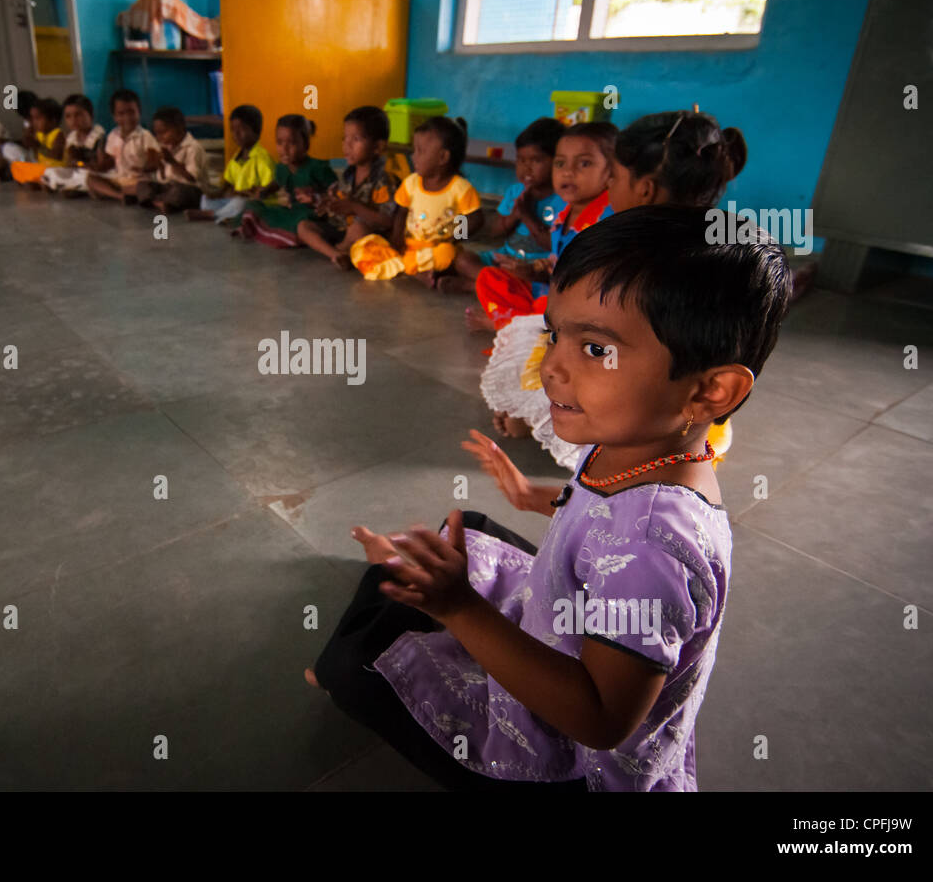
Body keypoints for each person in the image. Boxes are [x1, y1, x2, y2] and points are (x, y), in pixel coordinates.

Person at [310, 205, 793, 792]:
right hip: (566, 614)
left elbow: (600, 718)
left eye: (595, 350)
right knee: (446, 543)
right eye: (554, 334)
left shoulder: (652, 548)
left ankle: (341, 671)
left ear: (711, 389)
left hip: (566, 762)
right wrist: (532, 495)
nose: (550, 367)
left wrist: (461, 608)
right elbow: (597, 511)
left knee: (358, 661)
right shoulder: (644, 440)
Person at [483, 111, 747, 455]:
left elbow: (604, 352)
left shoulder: (631, 259)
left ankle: (541, 423)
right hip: (696, 417)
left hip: (639, 406)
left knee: (549, 347)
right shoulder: (720, 250)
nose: (608, 186)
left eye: (615, 178)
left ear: (645, 190)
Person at [470, 121, 617, 333]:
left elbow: (590, 284)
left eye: (584, 164)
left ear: (612, 172)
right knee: (490, 278)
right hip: (552, 290)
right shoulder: (565, 213)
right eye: (560, 164)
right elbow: (556, 262)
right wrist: (531, 270)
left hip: (580, 303)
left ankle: (510, 325)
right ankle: (520, 324)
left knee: (546, 307)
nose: (568, 172)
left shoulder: (605, 216)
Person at [349, 115, 484, 284]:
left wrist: (455, 237)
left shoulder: (460, 188)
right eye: (414, 150)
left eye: (420, 151)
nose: (413, 157)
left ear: (443, 157)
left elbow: (476, 218)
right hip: (411, 247)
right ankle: (425, 275)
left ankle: (430, 274)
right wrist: (397, 236)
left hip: (441, 249)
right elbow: (401, 211)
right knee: (378, 249)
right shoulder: (411, 183)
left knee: (456, 259)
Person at [444, 118, 565, 293]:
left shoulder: (562, 200)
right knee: (462, 259)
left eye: (535, 160)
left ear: (557, 162)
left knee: (548, 285)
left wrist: (527, 216)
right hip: (506, 258)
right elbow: (495, 232)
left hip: (537, 268)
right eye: (521, 160)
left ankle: (477, 286)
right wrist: (514, 215)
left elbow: (553, 246)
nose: (526, 168)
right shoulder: (515, 191)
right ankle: (500, 287)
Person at [295, 105, 399, 270]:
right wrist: (322, 201)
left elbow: (388, 220)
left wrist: (356, 208)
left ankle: (342, 250)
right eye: (345, 138)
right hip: (341, 229)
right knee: (303, 226)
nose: (346, 145)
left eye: (356, 139)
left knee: (358, 229)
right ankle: (337, 254)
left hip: (367, 235)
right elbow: (338, 200)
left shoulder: (384, 180)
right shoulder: (348, 175)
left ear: (378, 147)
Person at [237, 114, 337, 247]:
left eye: (292, 143)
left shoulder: (318, 167)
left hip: (313, 216)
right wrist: (264, 191)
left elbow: (337, 190)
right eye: (279, 143)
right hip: (293, 211)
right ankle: (280, 232)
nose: (284, 149)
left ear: (305, 144)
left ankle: (291, 235)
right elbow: (278, 182)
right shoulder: (282, 168)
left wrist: (316, 197)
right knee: (252, 206)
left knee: (300, 222)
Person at [187, 104, 274, 222]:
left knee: (241, 204)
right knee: (205, 200)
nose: (235, 134)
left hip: (258, 203)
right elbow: (226, 184)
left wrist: (250, 193)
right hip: (235, 199)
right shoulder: (236, 157)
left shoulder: (262, 158)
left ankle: (213, 215)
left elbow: (267, 190)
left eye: (241, 129)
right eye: (233, 129)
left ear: (256, 131)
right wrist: (216, 194)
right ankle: (223, 214)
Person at [88, 89, 160, 202]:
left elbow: (154, 161)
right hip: (120, 179)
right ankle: (120, 196)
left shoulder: (145, 136)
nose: (127, 118)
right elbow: (110, 162)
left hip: (139, 181)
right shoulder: (113, 135)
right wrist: (97, 167)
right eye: (121, 114)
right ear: (114, 116)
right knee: (91, 179)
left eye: (131, 112)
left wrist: (144, 168)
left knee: (147, 188)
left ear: (139, 112)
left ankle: (113, 193)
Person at [133, 106, 209, 211]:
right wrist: (160, 166)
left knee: (180, 191)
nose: (159, 137)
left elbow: (191, 178)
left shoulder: (193, 147)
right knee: (143, 184)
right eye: (157, 134)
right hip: (170, 187)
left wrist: (172, 162)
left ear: (179, 127)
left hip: (192, 189)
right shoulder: (168, 147)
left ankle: (159, 202)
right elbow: (164, 178)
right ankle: (160, 203)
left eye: (163, 132)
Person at [40, 94, 105, 193]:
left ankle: (72, 187)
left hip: (94, 173)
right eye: (68, 116)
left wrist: (80, 163)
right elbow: (71, 163)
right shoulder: (72, 138)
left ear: (91, 115)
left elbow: (100, 166)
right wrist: (75, 162)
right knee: (50, 172)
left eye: (78, 115)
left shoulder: (98, 136)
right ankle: (72, 186)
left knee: (86, 176)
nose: (73, 120)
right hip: (78, 171)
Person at [7, 97, 64, 185]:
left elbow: (57, 155)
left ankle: (41, 181)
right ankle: (38, 180)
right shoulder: (39, 134)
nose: (34, 122)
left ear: (53, 121)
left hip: (56, 168)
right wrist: (28, 138)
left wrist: (37, 145)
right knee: (18, 167)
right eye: (33, 118)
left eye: (38, 118)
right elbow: (36, 156)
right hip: (43, 168)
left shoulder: (58, 134)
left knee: (48, 173)